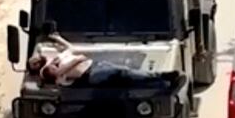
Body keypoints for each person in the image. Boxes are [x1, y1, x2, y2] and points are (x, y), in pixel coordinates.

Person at [30, 32, 179, 87]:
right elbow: (58, 73)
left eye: (34, 58)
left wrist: (59, 39)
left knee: (127, 75)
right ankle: (163, 78)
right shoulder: (46, 71)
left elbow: (71, 49)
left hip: (95, 66)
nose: (36, 58)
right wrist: (75, 61)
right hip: (91, 73)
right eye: (34, 62)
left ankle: (159, 80)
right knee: (125, 74)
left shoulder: (55, 59)